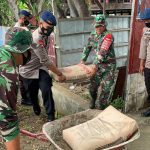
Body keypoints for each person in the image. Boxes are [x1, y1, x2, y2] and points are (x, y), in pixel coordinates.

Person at [19, 10, 66, 122]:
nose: (50, 29)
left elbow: (44, 60)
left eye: (52, 27)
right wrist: (59, 73)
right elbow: (46, 60)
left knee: (46, 90)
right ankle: (36, 106)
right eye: (48, 26)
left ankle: (51, 117)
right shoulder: (35, 38)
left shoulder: (47, 35)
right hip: (28, 70)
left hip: (40, 68)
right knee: (33, 93)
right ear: (40, 23)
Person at [0, 27, 33, 150]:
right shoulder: (9, 73)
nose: (30, 54)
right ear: (21, 51)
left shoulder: (2, 52)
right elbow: (7, 119)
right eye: (29, 50)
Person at [80, 14, 116, 110]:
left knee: (106, 89)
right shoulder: (92, 35)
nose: (98, 28)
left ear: (104, 25)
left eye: (100, 26)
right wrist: (82, 60)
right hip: (98, 65)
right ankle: (93, 99)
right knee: (93, 87)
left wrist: (94, 66)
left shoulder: (108, 36)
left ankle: (102, 108)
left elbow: (102, 52)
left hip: (109, 67)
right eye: (96, 26)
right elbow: (87, 48)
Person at [14, 9, 33, 106]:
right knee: (24, 79)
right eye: (26, 19)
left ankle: (25, 98)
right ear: (22, 18)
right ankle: (26, 99)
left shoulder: (20, 28)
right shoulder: (18, 29)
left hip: (21, 56)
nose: (28, 21)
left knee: (22, 79)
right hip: (20, 56)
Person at [139, 11, 150, 117]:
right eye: (144, 21)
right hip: (148, 65)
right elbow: (143, 47)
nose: (146, 22)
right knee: (149, 86)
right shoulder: (146, 30)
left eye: (147, 20)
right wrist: (141, 64)